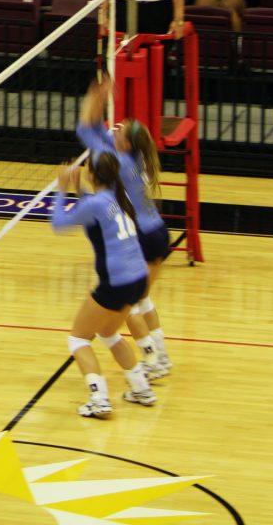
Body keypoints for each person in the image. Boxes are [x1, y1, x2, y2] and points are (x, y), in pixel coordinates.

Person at [78, 80, 174, 377]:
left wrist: (95, 96)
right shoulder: (133, 155)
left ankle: (151, 358)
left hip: (143, 237)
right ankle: (161, 356)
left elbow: (85, 130)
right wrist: (98, 96)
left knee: (129, 302)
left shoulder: (117, 161)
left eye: (121, 128)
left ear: (126, 143)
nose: (116, 126)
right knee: (142, 299)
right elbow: (90, 130)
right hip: (158, 233)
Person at [51, 153, 157, 418]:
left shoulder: (98, 202)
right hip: (137, 280)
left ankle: (99, 399)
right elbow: (96, 210)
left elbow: (59, 224)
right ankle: (140, 387)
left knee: (78, 339)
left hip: (116, 282)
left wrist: (62, 189)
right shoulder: (119, 196)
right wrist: (78, 189)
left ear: (92, 175)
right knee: (108, 332)